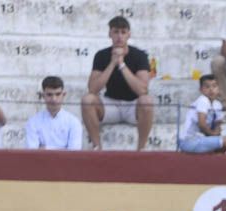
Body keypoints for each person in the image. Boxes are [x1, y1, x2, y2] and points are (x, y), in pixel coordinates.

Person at [81, 16, 154, 151]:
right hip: (110, 105)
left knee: (147, 101)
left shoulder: (140, 55)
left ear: (129, 34)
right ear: (110, 34)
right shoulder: (101, 55)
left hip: (133, 106)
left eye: (123, 32)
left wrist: (121, 64)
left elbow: (142, 90)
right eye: (116, 32)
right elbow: (92, 89)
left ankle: (141, 149)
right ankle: (97, 147)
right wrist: (112, 63)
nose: (119, 36)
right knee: (87, 100)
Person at [178, 74, 226, 154]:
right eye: (207, 87)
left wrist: (216, 133)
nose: (211, 90)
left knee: (223, 142)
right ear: (201, 90)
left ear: (218, 89)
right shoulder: (203, 100)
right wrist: (213, 134)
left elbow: (218, 124)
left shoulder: (217, 104)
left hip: (202, 138)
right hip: (189, 140)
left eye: (214, 86)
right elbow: (202, 124)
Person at [25, 76, 82, 151]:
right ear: (43, 96)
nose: (54, 99)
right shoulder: (33, 122)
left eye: (58, 94)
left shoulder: (73, 122)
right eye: (49, 95)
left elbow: (74, 153)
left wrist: (44, 149)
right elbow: (32, 153)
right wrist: (63, 149)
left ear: (63, 95)